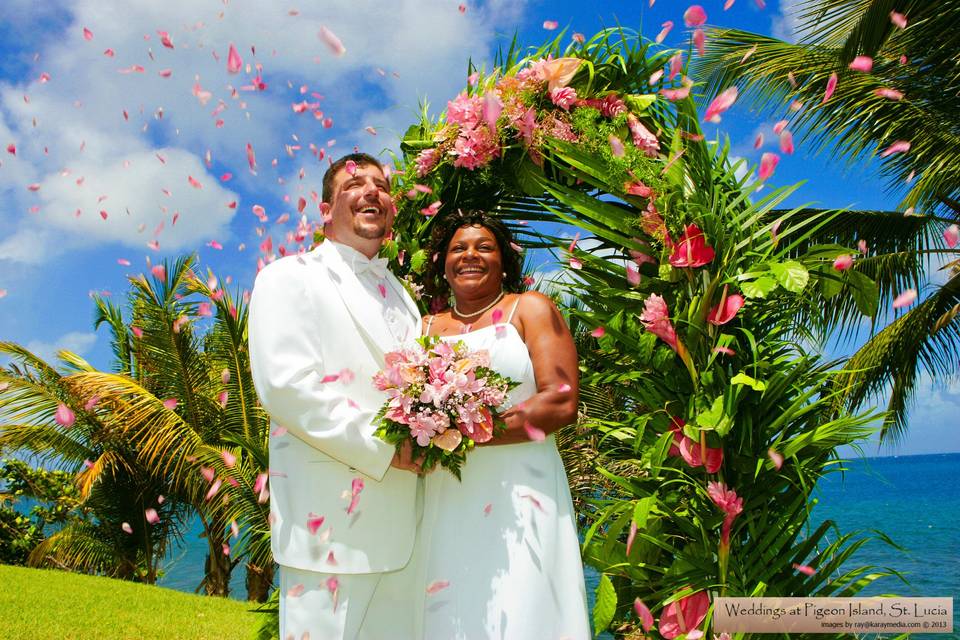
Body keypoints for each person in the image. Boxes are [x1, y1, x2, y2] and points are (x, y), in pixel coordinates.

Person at [248, 153, 423, 640]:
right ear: (325, 209)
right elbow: (286, 387)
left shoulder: (404, 297)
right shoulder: (288, 277)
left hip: (411, 528)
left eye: (382, 185)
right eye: (354, 184)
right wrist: (388, 446)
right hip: (330, 531)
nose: (372, 191)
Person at [414, 210, 591, 639]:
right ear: (442, 261)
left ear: (504, 260)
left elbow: (562, 401)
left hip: (521, 488)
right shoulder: (423, 327)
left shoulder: (529, 309)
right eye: (458, 248)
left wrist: (462, 431)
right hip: (443, 492)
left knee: (523, 603)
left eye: (484, 247)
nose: (470, 255)